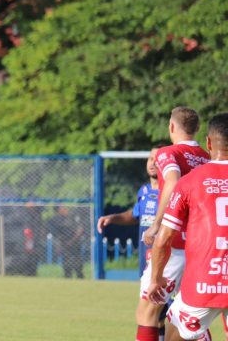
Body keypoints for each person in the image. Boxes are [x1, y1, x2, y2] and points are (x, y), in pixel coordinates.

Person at [145, 113, 228, 340]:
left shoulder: (190, 181)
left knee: (173, 330)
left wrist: (156, 279)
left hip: (203, 283)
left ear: (209, 143)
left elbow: (164, 238)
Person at [135, 107, 210, 341]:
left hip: (175, 245)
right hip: (201, 246)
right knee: (187, 317)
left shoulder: (168, 152)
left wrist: (157, 224)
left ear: (171, 127)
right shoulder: (208, 157)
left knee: (148, 311)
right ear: (198, 129)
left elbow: (172, 179)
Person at [97, 147, 160, 276]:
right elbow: (135, 215)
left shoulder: (172, 192)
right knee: (146, 295)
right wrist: (112, 218)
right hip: (146, 258)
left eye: (158, 159)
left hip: (165, 259)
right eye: (151, 158)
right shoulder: (144, 191)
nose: (153, 163)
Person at [49, 205, 85, 278]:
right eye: (62, 208)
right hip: (64, 244)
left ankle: (80, 276)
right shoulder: (56, 220)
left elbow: (80, 229)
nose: (65, 209)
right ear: (58, 211)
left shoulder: (74, 216)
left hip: (75, 243)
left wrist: (72, 240)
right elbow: (56, 234)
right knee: (66, 262)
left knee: (78, 261)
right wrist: (59, 244)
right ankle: (67, 276)